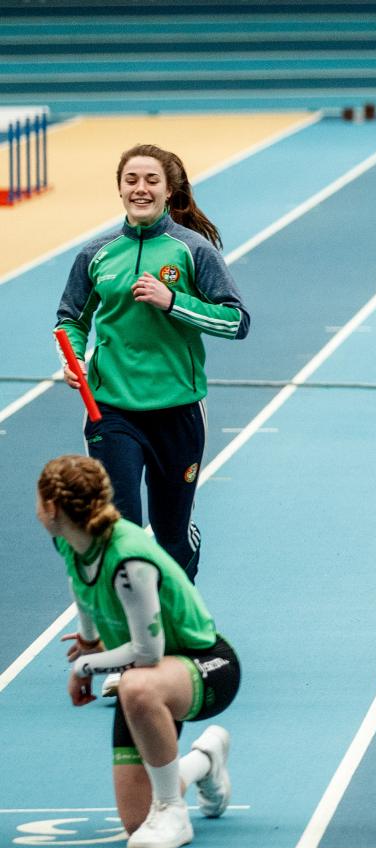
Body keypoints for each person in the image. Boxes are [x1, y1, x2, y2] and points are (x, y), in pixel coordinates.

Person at [55, 143, 251, 585]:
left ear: (168, 190)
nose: (140, 189)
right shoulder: (96, 255)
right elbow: (70, 319)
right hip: (111, 410)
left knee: (172, 537)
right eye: (131, 180)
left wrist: (173, 302)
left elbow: (237, 321)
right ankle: (132, 629)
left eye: (150, 181)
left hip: (178, 410)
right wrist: (75, 362)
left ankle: (180, 613)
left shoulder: (192, 250)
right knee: (120, 530)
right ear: (120, 189)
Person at [36, 455, 238, 848]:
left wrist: (86, 664)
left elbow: (148, 652)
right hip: (154, 673)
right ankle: (205, 760)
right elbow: (80, 586)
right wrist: (91, 641)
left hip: (207, 665)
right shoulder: (69, 540)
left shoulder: (129, 560)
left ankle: (172, 811)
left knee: (136, 684)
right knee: (134, 822)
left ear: (53, 508)